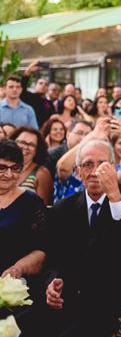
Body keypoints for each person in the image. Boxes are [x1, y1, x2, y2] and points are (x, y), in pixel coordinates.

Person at [45, 139, 121, 337]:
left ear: (113, 167)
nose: (94, 171)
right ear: (78, 172)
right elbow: (53, 260)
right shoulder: (62, 209)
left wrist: (115, 197)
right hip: (71, 299)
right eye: (87, 164)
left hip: (111, 299)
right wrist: (52, 282)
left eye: (102, 164)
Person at [0, 139, 49, 336]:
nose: (9, 174)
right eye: (2, 167)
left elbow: (42, 250)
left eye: (15, 168)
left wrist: (17, 268)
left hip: (15, 286)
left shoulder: (32, 203)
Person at [46, 120, 93, 203]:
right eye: (79, 133)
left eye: (87, 135)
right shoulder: (52, 155)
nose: (83, 138)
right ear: (68, 134)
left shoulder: (91, 157)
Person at [10, 127, 53, 205]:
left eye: (31, 145)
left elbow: (43, 208)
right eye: (22, 142)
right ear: (13, 142)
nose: (25, 147)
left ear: (37, 150)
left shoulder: (42, 174)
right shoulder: (3, 168)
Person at [20, 61, 55, 127]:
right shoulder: (29, 97)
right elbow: (22, 88)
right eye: (40, 83)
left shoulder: (49, 103)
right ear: (35, 86)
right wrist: (28, 70)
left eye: (46, 84)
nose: (43, 86)